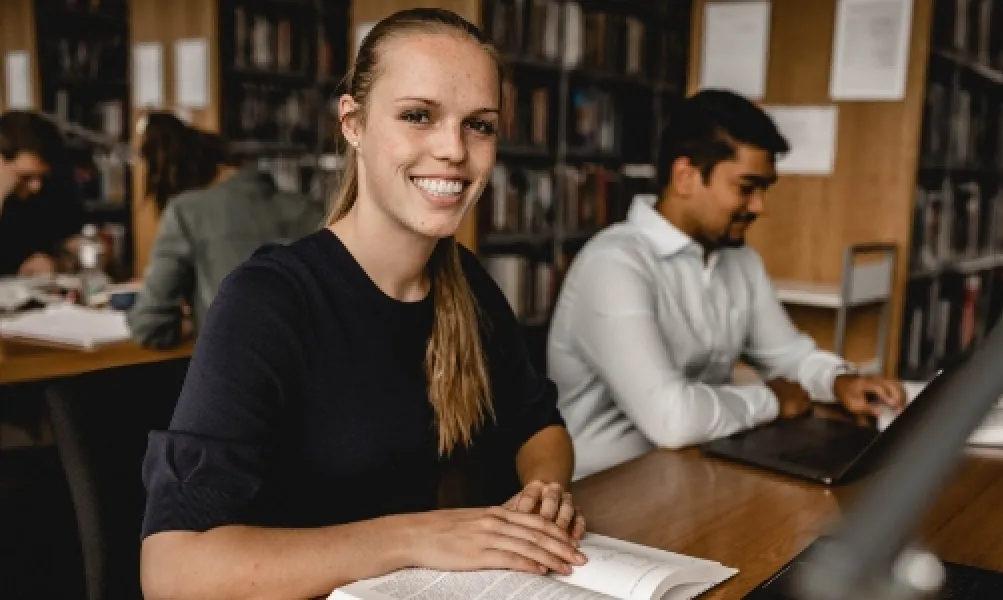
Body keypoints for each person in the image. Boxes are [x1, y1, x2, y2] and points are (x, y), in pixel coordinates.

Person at [139, 9, 587, 600]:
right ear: (353, 123)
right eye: (417, 116)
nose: (453, 149)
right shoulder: (270, 299)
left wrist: (543, 493)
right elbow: (172, 571)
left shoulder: (466, 284)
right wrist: (415, 537)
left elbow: (540, 426)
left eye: (479, 125)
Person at [546, 90, 908, 480]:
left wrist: (840, 381)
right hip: (607, 491)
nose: (759, 208)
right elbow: (672, 419)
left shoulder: (738, 259)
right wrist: (771, 399)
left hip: (701, 468)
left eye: (764, 189)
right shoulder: (613, 264)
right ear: (685, 176)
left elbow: (787, 355)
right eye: (746, 187)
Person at [126, 112, 325, 348]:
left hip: (236, 373)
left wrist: (195, 324)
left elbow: (149, 323)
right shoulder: (311, 209)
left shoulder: (187, 211)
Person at [0, 110, 83, 276]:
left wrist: (58, 264)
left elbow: (74, 246)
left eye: (42, 176)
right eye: (25, 177)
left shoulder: (52, 188)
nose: (36, 186)